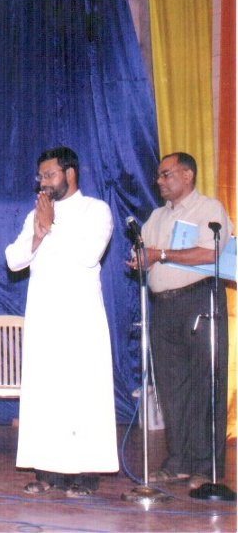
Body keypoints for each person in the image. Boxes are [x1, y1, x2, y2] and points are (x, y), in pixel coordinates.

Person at [5, 146, 117, 498]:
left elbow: (89, 255)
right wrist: (38, 233)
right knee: (46, 392)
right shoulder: (35, 214)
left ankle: (85, 473)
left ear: (70, 174)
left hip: (80, 317)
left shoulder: (96, 210)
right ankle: (47, 470)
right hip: (44, 315)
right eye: (40, 176)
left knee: (82, 392)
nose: (44, 182)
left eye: (50, 175)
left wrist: (52, 226)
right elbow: (13, 260)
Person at [128, 152, 233, 489]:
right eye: (158, 175)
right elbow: (144, 252)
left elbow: (210, 252)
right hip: (163, 306)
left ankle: (206, 466)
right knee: (171, 389)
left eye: (166, 174)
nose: (159, 181)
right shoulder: (156, 217)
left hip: (199, 301)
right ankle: (179, 461)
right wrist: (139, 260)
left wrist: (160, 254)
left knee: (205, 385)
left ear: (187, 175)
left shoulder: (208, 209)